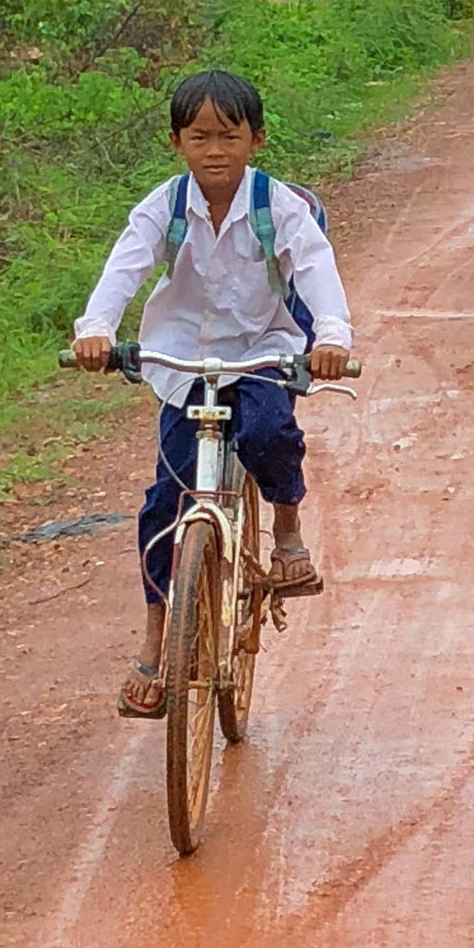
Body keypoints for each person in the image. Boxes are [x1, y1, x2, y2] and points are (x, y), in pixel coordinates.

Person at [71, 69, 356, 719]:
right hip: (183, 361)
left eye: (229, 135)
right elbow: (126, 265)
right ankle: (154, 642)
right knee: (163, 508)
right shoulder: (164, 207)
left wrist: (332, 334)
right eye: (199, 136)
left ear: (256, 139)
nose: (215, 150)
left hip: (261, 352)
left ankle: (285, 532)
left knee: (267, 436)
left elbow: (314, 267)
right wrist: (95, 329)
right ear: (176, 142)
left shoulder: (276, 205)